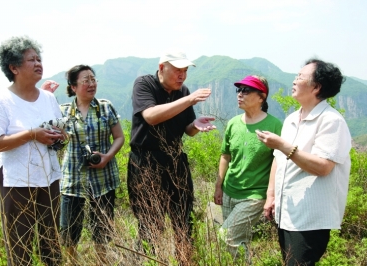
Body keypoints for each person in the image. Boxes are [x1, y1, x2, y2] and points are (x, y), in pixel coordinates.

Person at [256, 59, 351, 266]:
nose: (294, 80)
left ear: (316, 87)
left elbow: (323, 166)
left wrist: (282, 145)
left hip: (310, 217)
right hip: (286, 211)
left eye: (300, 77)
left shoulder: (331, 121)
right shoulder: (291, 120)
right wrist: (271, 195)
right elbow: (278, 160)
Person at [127, 50, 216, 265]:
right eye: (177, 70)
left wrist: (195, 125)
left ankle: (185, 261)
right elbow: (151, 116)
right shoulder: (145, 84)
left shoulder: (182, 92)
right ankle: (149, 261)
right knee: (150, 222)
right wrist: (190, 99)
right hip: (146, 161)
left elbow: (187, 129)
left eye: (185, 71)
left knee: (184, 221)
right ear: (161, 68)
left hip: (176, 161)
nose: (182, 75)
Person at [0, 36, 63, 265]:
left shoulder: (48, 98)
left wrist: (59, 135)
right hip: (17, 180)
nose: (38, 63)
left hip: (49, 177)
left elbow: (58, 128)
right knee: (20, 246)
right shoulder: (0, 100)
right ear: (14, 67)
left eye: (39, 59)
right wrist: (32, 134)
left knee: (51, 242)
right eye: (31, 60)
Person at [57, 65, 124, 264]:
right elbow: (56, 143)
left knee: (101, 231)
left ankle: (101, 261)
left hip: (103, 178)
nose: (91, 84)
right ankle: (72, 262)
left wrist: (107, 156)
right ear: (73, 86)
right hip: (73, 180)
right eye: (85, 80)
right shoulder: (63, 111)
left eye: (93, 79)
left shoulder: (105, 107)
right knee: (68, 232)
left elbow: (119, 137)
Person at [213, 75, 282, 262]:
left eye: (246, 90)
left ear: (261, 97)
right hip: (229, 191)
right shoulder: (234, 123)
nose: (240, 94)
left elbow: (279, 160)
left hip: (254, 195)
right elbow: (225, 155)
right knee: (237, 240)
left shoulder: (274, 125)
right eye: (239, 90)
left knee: (226, 236)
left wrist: (271, 196)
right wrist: (219, 186)